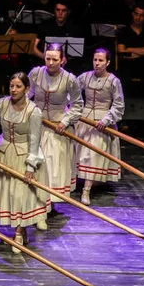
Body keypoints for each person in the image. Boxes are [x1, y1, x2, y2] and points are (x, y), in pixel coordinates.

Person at [0, 72, 48, 251]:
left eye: (18, 86)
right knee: (9, 194)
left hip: (24, 156)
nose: (13, 90)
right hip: (4, 154)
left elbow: (35, 141)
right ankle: (21, 230)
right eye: (12, 86)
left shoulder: (34, 112)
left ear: (27, 89)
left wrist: (31, 167)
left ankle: (19, 233)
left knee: (21, 195)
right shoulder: (2, 104)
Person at [27, 45, 84, 216]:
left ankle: (48, 205)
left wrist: (65, 122)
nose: (50, 63)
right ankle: (34, 203)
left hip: (56, 129)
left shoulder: (69, 79)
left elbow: (77, 105)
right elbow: (26, 94)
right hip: (37, 125)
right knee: (34, 165)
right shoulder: (36, 73)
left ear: (62, 60)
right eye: (48, 58)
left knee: (52, 167)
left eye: (55, 59)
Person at [74, 49, 125, 205]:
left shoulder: (113, 81)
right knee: (78, 153)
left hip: (102, 123)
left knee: (94, 154)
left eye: (101, 60)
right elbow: (72, 93)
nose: (97, 63)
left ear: (108, 62)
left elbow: (118, 105)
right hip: (85, 119)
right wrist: (72, 109)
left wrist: (107, 120)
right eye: (95, 60)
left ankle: (86, 190)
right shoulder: (85, 77)